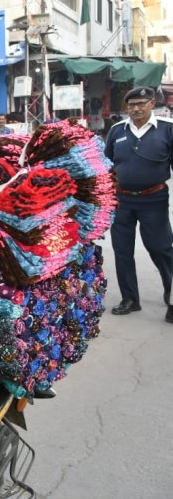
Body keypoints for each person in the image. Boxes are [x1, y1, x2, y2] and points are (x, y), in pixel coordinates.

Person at [104, 86, 173, 324]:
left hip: (154, 199)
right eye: (132, 105)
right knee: (122, 251)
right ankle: (130, 299)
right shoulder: (116, 131)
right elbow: (106, 165)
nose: (136, 108)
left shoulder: (167, 129)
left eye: (141, 104)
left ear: (152, 104)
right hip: (121, 200)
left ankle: (171, 297)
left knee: (162, 249)